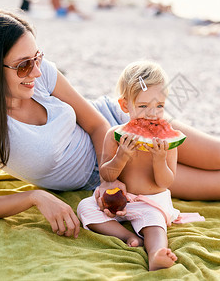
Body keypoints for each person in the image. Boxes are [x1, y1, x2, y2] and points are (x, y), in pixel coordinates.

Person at [0, 10, 220, 241]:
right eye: (24, 65)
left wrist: (109, 172)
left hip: (117, 130)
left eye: (37, 58)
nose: (36, 72)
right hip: (118, 173)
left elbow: (97, 124)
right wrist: (34, 197)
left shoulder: (43, 75)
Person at [77, 61, 199, 270]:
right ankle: (128, 236)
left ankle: (156, 254)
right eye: (143, 106)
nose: (152, 114)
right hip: (117, 201)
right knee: (85, 208)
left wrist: (159, 159)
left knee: (155, 225)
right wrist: (121, 156)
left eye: (159, 106)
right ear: (125, 105)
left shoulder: (166, 142)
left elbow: (166, 182)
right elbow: (106, 175)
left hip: (151, 203)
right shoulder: (114, 135)